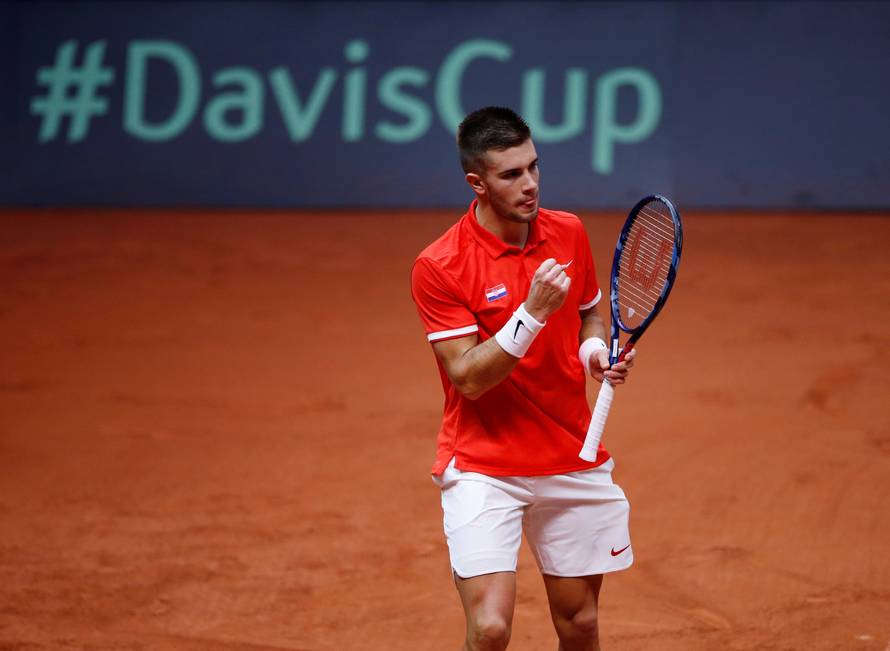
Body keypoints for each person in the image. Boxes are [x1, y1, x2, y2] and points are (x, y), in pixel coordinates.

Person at [410, 106, 637, 651]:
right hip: (484, 464)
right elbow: (466, 377)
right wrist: (531, 315)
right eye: (511, 174)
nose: (530, 183)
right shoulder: (440, 265)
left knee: (579, 624)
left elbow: (589, 311)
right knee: (489, 629)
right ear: (477, 183)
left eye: (534, 166)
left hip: (569, 453)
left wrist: (591, 353)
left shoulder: (568, 231)